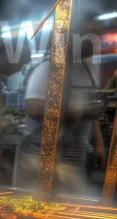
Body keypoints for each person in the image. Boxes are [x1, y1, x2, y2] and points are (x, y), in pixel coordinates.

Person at [18, 16, 106, 194]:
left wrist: (99, 144)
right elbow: (33, 107)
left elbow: (91, 113)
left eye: (98, 35)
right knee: (35, 211)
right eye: (90, 35)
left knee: (71, 205)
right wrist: (78, 111)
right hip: (40, 158)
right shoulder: (48, 68)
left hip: (75, 156)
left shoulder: (92, 69)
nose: (96, 41)